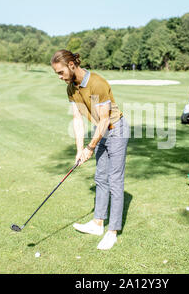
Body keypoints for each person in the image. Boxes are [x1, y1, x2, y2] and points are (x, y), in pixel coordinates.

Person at [50, 50, 129, 250]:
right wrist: (79, 150)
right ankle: (97, 223)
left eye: (60, 72)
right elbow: (77, 119)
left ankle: (112, 232)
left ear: (71, 65)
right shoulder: (71, 89)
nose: (59, 77)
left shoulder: (96, 83)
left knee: (114, 179)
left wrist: (90, 147)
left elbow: (104, 119)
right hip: (100, 131)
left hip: (116, 129)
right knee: (100, 178)